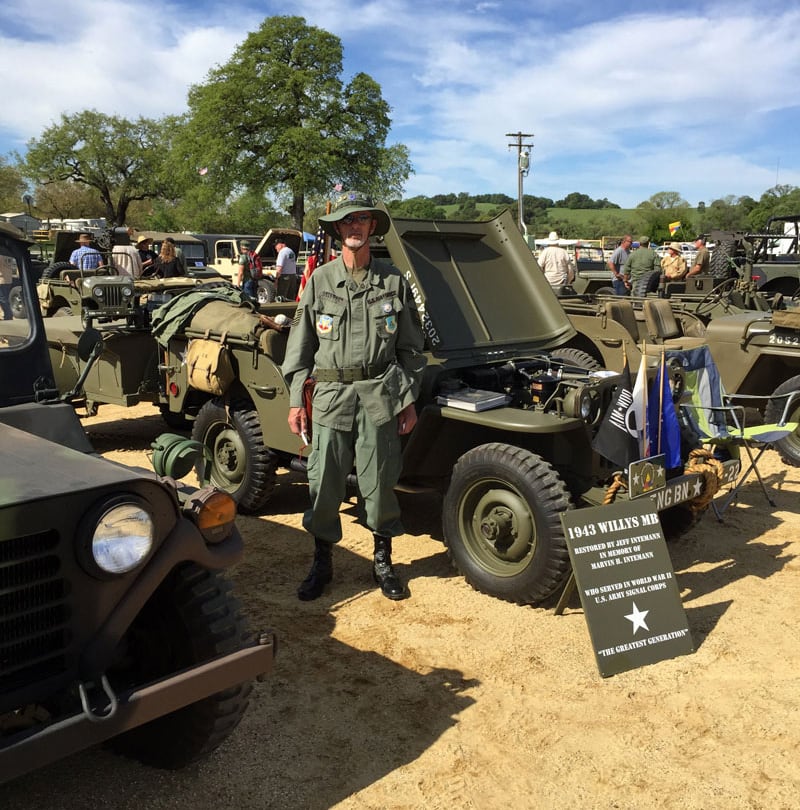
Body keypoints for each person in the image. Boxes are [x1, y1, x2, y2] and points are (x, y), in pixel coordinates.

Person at [282, 191, 427, 602]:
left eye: (362, 220)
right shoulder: (320, 281)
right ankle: (321, 562)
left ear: (371, 228)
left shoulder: (392, 280)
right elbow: (301, 348)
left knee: (380, 482)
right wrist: (296, 400)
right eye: (347, 222)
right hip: (330, 396)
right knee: (324, 483)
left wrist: (407, 399)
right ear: (338, 229)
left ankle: (383, 561)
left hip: (380, 397)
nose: (355, 227)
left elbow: (411, 350)